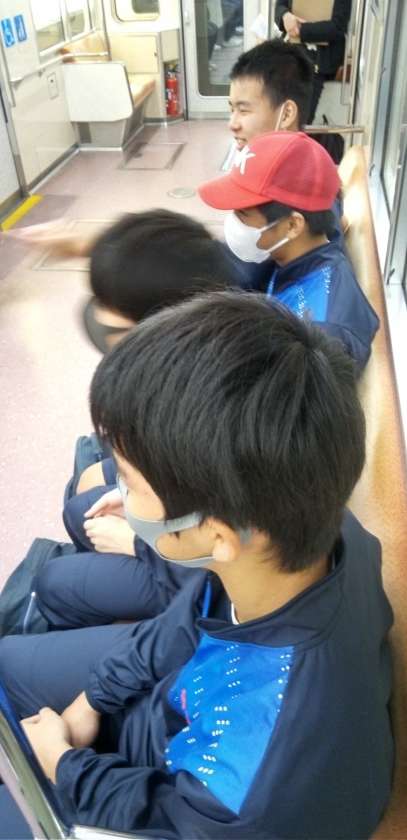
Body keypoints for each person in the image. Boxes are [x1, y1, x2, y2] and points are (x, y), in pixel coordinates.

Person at [0, 290, 393, 839]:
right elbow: (184, 621)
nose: (122, 497)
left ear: (217, 535)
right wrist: (94, 698)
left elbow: (167, 813)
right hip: (178, 702)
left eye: (129, 482)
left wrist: (65, 767)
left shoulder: (247, 791)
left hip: (184, 767)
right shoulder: (303, 536)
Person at [198, 130, 379, 371]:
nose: (233, 223)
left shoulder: (321, 334)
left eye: (242, 214)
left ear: (293, 225)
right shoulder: (288, 258)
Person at [275, 0, 352, 122]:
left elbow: (338, 27)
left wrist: (300, 30)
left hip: (320, 60)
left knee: (301, 117)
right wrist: (285, 16)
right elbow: (280, 7)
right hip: (289, 52)